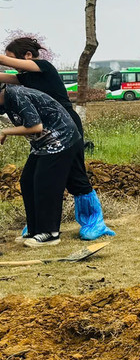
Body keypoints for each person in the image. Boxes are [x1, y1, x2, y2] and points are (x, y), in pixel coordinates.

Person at [0, 36, 113, 240]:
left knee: (74, 175)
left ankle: (93, 222)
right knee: (37, 176)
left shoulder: (43, 67)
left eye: (11, 59)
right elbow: (2, 77)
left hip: (68, 125)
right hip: (47, 131)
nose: (11, 66)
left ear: (27, 56)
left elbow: (3, 63)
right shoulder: (25, 78)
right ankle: (39, 223)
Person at [0, 82, 84, 246]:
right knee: (28, 181)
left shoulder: (16, 95)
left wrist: (4, 132)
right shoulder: (6, 100)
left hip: (62, 139)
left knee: (45, 184)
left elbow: (35, 127)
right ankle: (35, 230)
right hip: (43, 144)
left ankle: (50, 233)